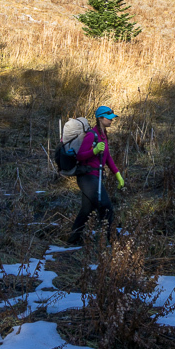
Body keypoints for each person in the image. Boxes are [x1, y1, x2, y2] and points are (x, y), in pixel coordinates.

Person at [68, 104, 125, 246]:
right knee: (106, 206)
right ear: (100, 118)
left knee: (87, 210)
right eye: (109, 118)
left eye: (112, 118)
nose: (111, 120)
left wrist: (117, 174)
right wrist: (93, 151)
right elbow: (79, 156)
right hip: (87, 177)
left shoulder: (104, 136)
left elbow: (107, 157)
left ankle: (73, 240)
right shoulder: (91, 135)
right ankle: (113, 239)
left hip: (95, 177)